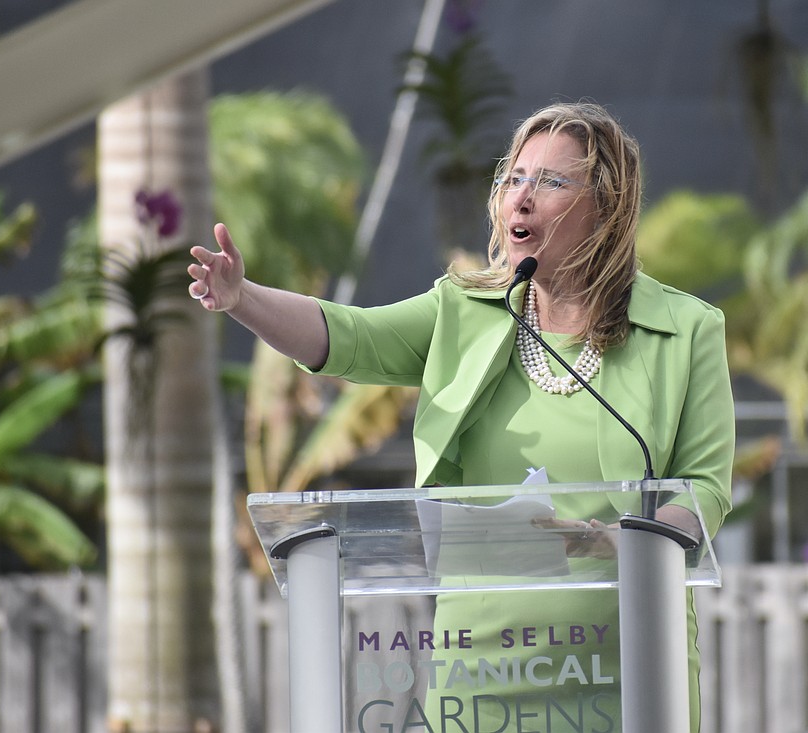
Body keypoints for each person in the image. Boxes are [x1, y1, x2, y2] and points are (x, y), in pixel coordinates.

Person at [189, 101, 734, 732]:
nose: (522, 198)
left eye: (553, 182)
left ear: (606, 206)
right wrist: (241, 298)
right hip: (479, 676)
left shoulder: (686, 330)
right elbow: (349, 338)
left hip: (628, 674)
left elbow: (704, 487)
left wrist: (628, 543)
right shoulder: (465, 312)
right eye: (514, 178)